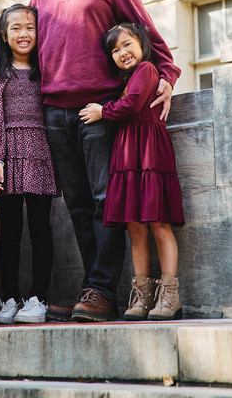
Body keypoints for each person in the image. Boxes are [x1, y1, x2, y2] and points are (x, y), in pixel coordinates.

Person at [30, 0, 181, 322]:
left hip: (100, 112)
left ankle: (102, 290)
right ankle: (93, 287)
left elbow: (145, 34)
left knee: (104, 203)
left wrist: (165, 75)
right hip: (55, 114)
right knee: (77, 205)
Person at [79, 22, 184, 320]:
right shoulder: (126, 78)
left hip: (149, 152)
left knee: (158, 224)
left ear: (142, 45)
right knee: (135, 227)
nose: (122, 52)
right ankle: (143, 296)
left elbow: (132, 104)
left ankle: (170, 295)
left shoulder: (148, 70)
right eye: (115, 49)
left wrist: (102, 111)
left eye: (127, 44)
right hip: (127, 153)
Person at [0, 4, 60, 324]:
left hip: (41, 150)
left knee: (42, 229)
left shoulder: (48, 69)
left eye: (29, 27)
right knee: (9, 231)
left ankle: (38, 298)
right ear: (4, 35)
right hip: (7, 154)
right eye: (15, 28)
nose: (23, 33)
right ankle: (9, 298)